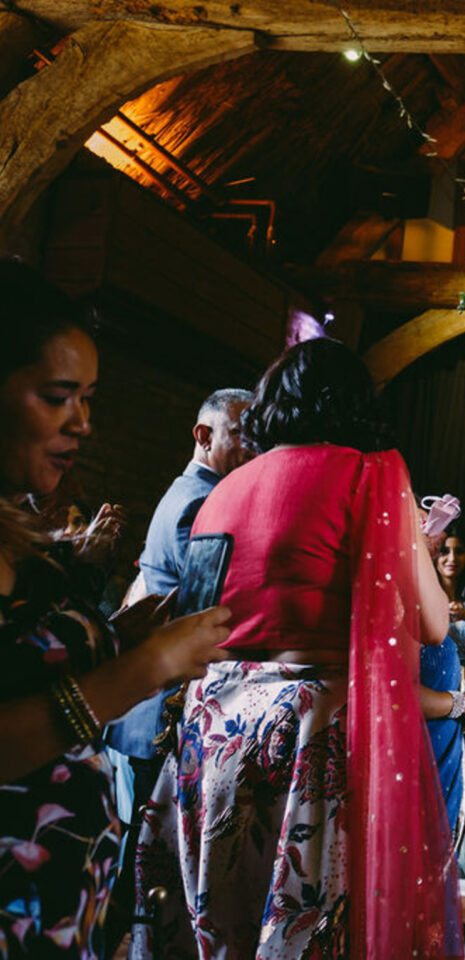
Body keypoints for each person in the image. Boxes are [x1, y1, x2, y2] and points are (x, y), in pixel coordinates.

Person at [132, 338, 461, 959]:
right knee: (309, 931)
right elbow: (435, 624)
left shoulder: (223, 491)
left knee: (225, 920)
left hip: (215, 727)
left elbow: (205, 617)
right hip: (312, 733)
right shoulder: (372, 472)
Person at [0, 260, 231, 958]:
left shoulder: (15, 525)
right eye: (57, 396)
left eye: (88, 398)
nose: (84, 422)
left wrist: (118, 637)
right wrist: (147, 666)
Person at [104, 387, 253, 940]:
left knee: (140, 865)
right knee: (139, 872)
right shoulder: (199, 501)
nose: (251, 447)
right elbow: (206, 610)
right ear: (203, 435)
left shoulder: (194, 492)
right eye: (241, 434)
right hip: (160, 707)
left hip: (158, 703)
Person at [418, 525, 465, 840]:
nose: (451, 558)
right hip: (434, 696)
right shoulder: (419, 589)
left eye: (459, 550)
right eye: (444, 550)